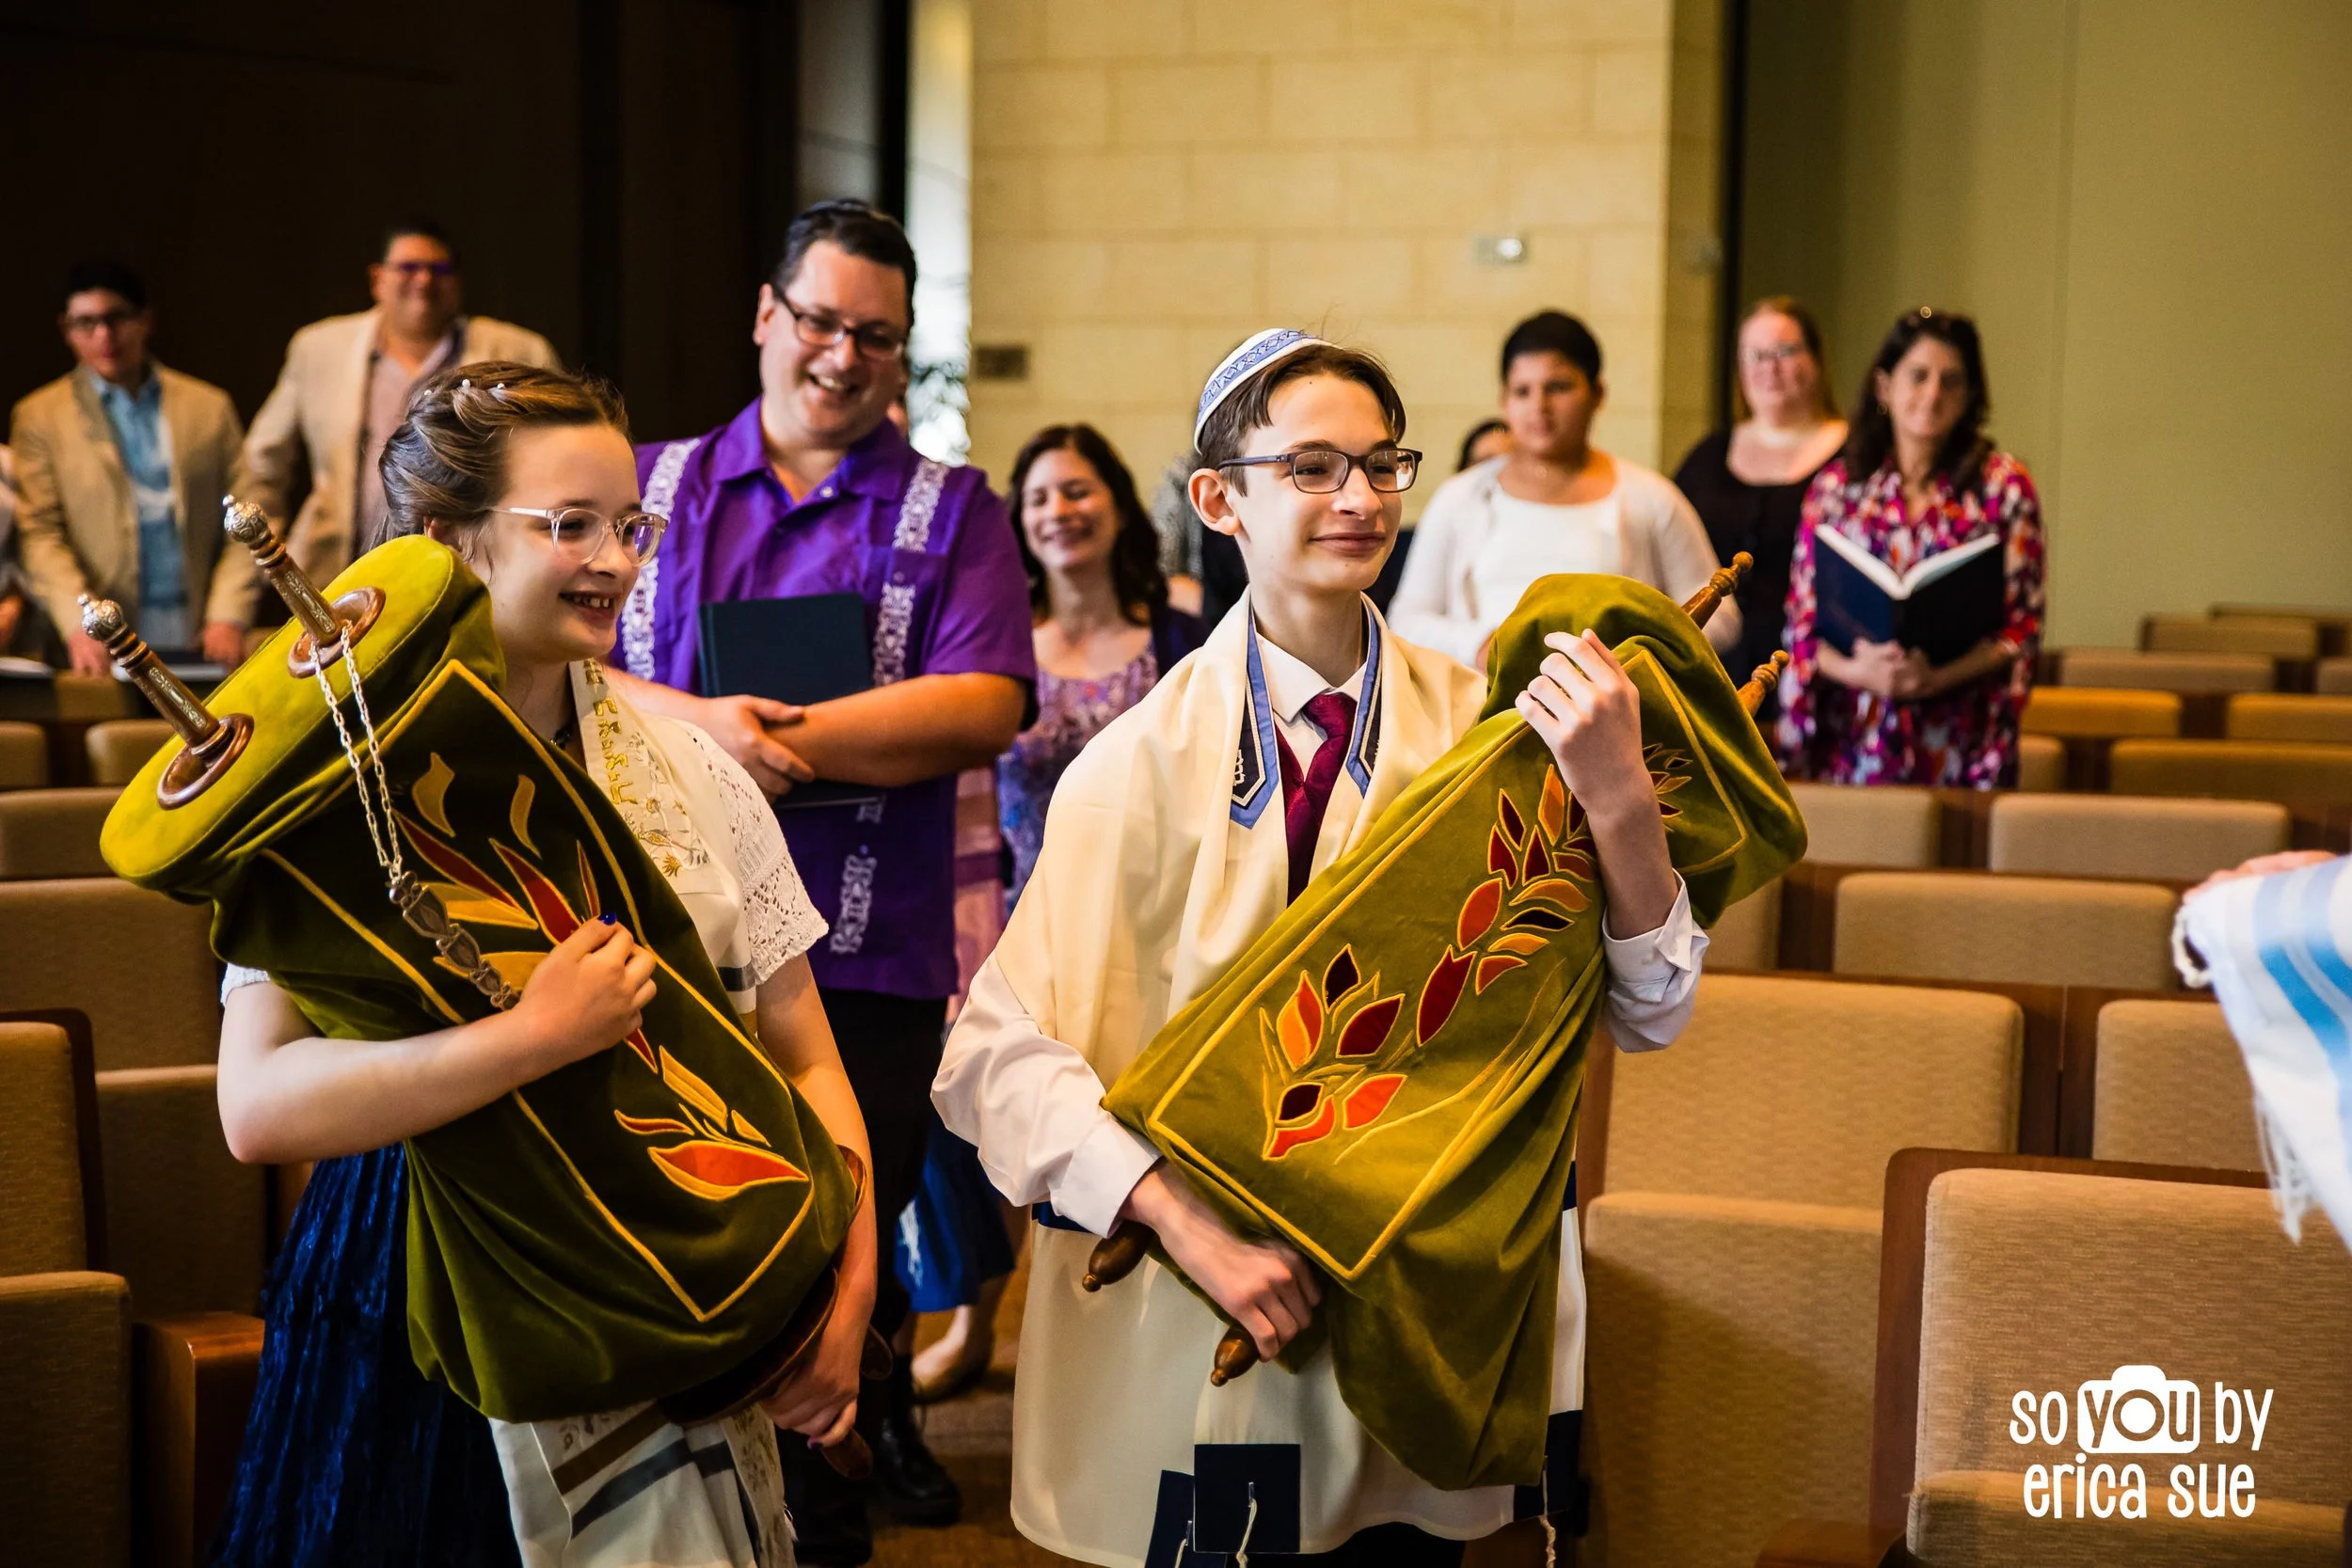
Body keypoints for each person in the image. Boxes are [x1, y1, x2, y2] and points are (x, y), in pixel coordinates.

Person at [931, 329, 1708, 1564]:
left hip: (1426, 1292)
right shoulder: (1131, 767)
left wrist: (1616, 802)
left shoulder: (1487, 735)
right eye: (1311, 466)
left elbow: (1651, 1008)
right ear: (1216, 496)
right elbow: (990, 1055)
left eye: (1380, 463)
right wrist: (1189, 1227)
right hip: (1213, 1294)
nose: (1358, 498)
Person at [211, 363, 874, 1566]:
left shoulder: (693, 772)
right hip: (425, 1280)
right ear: (440, 544)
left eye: (630, 525)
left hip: (689, 1253)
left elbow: (809, 1063)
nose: (616, 559)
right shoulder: (331, 802)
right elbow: (255, 1109)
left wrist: (850, 1287)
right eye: (568, 525)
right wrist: (528, 1038)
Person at [605, 198, 1033, 1555]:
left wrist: (760, 733)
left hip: (866, 954)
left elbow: (985, 699)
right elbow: (556, 658)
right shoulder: (650, 480)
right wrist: (699, 723)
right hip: (657, 949)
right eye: (821, 321)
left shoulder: (951, 506)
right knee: (677, 1233)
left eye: (879, 337)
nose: (843, 356)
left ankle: (827, 1495)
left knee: (844, 1240)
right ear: (764, 314)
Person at [897, 422, 1207, 1404]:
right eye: (1038, 498)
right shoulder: (997, 644)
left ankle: (1116, 1340)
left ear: (1115, 501)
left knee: (1116, 1125)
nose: (1059, 511)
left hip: (1141, 918)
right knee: (994, 1117)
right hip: (1012, 910)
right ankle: (975, 1320)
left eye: (1077, 490)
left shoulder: (1182, 631)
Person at [1775, 307, 2046, 786]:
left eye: (1952, 381)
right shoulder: (1836, 490)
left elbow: (2021, 628)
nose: (1933, 394)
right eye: (1918, 376)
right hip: (1855, 735)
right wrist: (1861, 672)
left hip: (1962, 734)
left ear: (1970, 397)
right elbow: (1801, 625)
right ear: (1885, 387)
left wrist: (1936, 678)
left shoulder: (2004, 488)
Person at [1391, 309, 1740, 669]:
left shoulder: (1650, 498)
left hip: (1613, 707)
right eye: (1522, 391)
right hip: (1482, 710)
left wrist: (1631, 654)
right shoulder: (1460, 498)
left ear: (1597, 393)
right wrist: (1482, 646)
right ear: (1504, 400)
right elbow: (1408, 620)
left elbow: (1722, 615)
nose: (1538, 407)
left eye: (1558, 387)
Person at [242, 218, 560, 585]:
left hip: (473, 573)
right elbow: (260, 464)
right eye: (409, 267)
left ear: (457, 281)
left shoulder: (520, 351)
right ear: (377, 278)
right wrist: (266, 552)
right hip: (341, 578)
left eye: (438, 269)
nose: (424, 281)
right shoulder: (319, 348)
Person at [9, 259, 256, 673]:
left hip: (198, 632)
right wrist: (79, 621)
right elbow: (39, 534)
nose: (104, 335)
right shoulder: (40, 416)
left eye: (116, 318)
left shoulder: (208, 408)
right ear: (65, 330)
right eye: (85, 323)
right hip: (98, 643)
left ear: (145, 320)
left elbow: (246, 518)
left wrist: (228, 613)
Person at [1672, 297, 1847, 699]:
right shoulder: (1707, 457)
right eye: (1755, 355)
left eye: (1784, 352)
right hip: (1712, 680)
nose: (1769, 368)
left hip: (1820, 679)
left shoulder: (1856, 459)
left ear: (1816, 359)